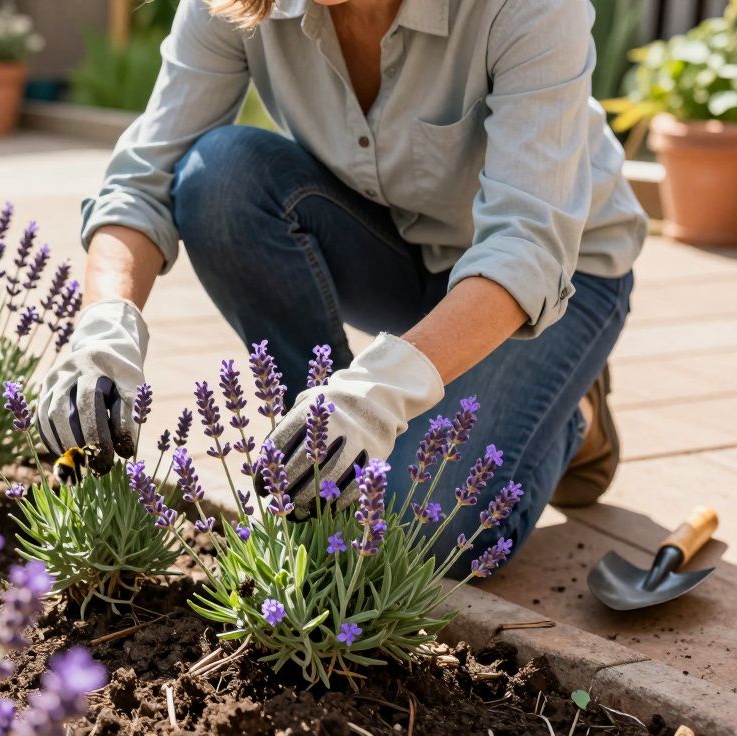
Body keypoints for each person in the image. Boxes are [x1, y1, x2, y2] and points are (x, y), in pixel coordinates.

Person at [35, 0, 647, 576]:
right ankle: (321, 463)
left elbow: (527, 250)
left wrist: (378, 397)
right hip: (394, 248)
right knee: (218, 178)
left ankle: (573, 407)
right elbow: (145, 179)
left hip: (552, 280)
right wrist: (103, 327)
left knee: (424, 532)